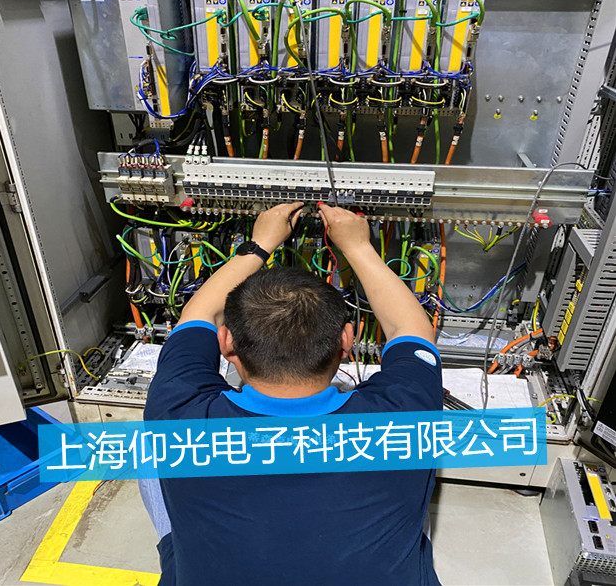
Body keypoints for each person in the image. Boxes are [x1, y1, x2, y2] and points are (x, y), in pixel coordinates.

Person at [143, 202, 443, 586]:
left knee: (149, 453)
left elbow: (197, 317)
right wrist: (358, 247)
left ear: (227, 343)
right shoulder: (404, 412)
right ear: (346, 341)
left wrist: (258, 246)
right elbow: (410, 328)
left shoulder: (178, 409)